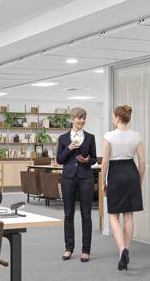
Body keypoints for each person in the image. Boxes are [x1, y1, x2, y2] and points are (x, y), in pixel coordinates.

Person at [101, 105, 144, 272]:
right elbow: (143, 163)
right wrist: (139, 182)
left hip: (116, 174)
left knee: (113, 215)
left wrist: (103, 182)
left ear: (118, 118)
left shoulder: (109, 136)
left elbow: (105, 162)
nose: (113, 119)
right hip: (131, 173)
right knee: (129, 215)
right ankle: (126, 250)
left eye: (113, 116)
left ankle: (122, 249)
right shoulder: (136, 136)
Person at [56, 107, 97, 262]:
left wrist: (87, 160)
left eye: (84, 118)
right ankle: (68, 248)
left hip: (86, 178)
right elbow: (59, 160)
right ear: (72, 119)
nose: (82, 121)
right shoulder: (63, 138)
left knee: (86, 215)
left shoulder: (90, 137)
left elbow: (94, 158)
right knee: (68, 214)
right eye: (79, 118)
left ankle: (86, 250)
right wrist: (69, 148)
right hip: (68, 178)